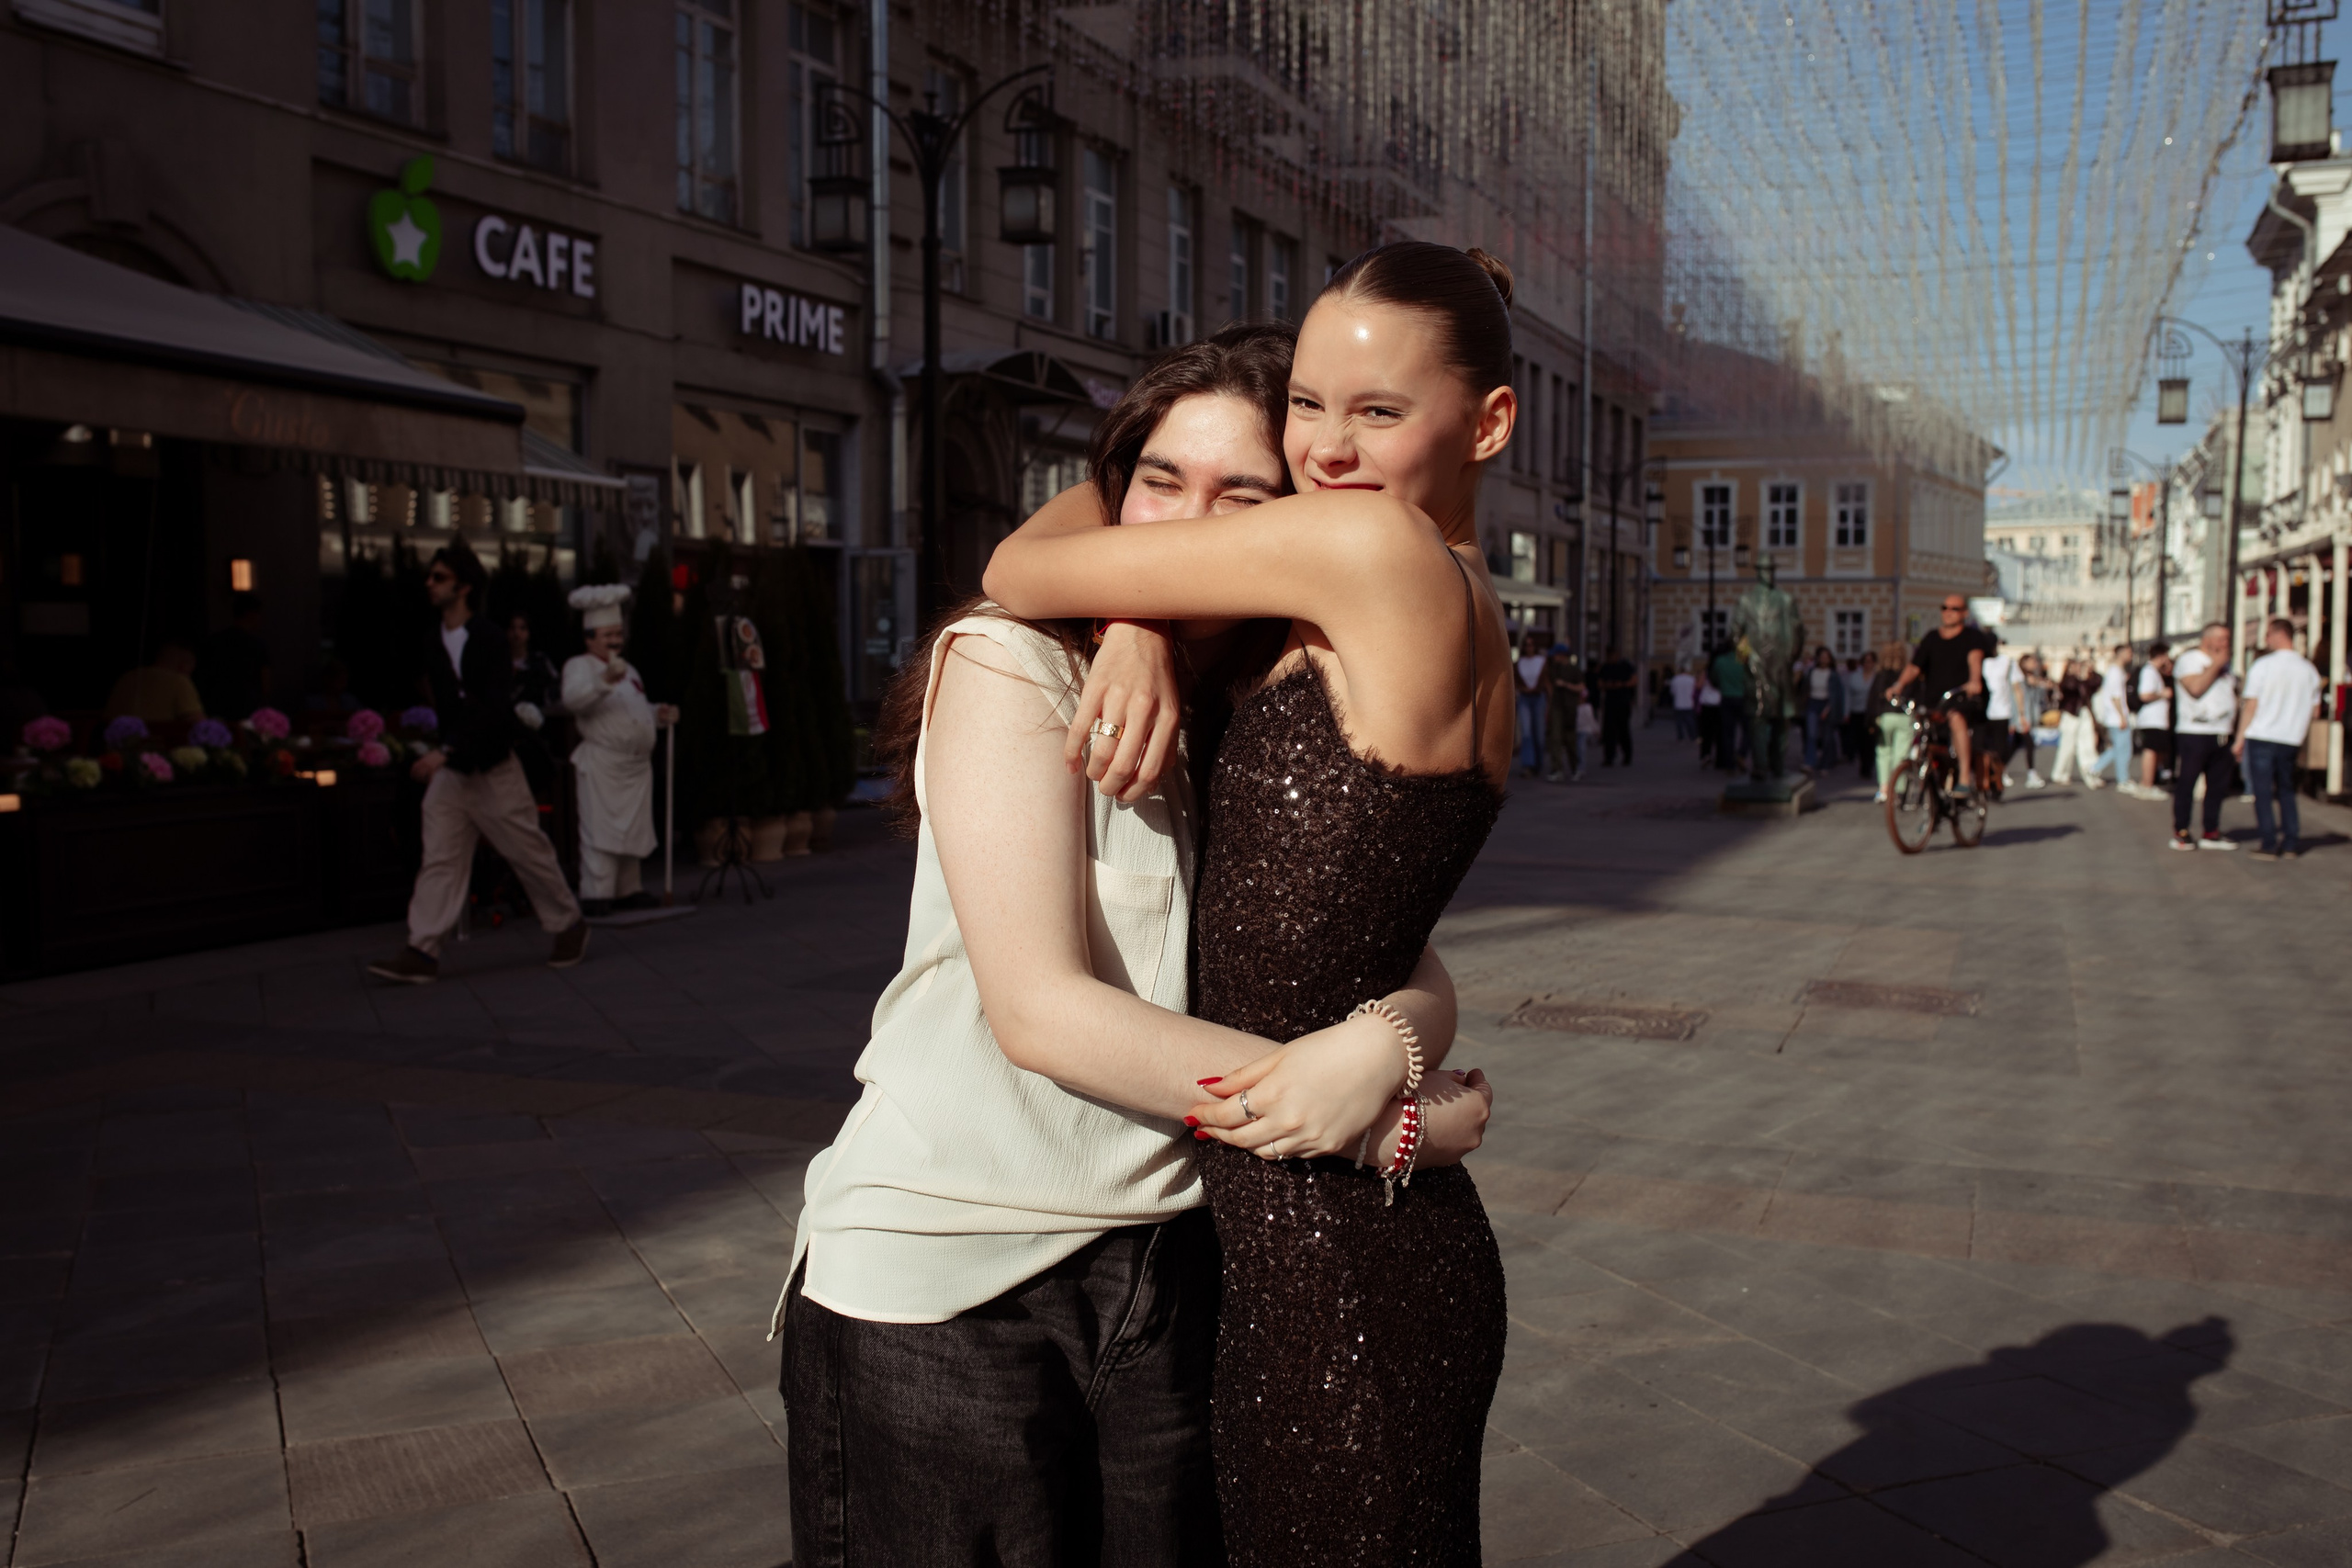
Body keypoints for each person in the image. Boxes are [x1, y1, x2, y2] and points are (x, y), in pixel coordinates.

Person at [983, 242, 1523, 1565]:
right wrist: (1148, 619)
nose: (1330, 448)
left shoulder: (1372, 550)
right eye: (1309, 405)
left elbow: (1025, 560)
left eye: (1379, 409)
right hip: (1326, 1218)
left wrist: (1125, 598)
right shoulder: (1399, 588)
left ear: (1490, 422)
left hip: (1334, 1255)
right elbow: (1398, 946)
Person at [367, 542, 588, 982]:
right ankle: (422, 949)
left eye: (439, 577)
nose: (429, 584)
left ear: (464, 587)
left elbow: (492, 708)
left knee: (526, 849)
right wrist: (445, 751)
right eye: (430, 577)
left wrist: (446, 751)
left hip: (491, 765)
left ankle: (569, 923)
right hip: (455, 770)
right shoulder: (433, 640)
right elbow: (451, 705)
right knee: (441, 857)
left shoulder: (488, 638)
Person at [562, 585, 678, 915]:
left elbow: (634, 710)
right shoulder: (579, 666)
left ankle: (629, 888)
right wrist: (604, 682)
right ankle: (597, 891)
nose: (615, 641)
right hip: (604, 766)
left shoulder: (632, 671)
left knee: (632, 832)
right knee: (602, 833)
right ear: (589, 638)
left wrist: (658, 715)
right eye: (607, 635)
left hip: (635, 769)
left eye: (617, 633)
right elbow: (574, 701)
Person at [2233, 616, 2324, 861]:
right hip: (2292, 738)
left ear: (2275, 635)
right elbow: (2315, 711)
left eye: (2267, 635)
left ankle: (2269, 843)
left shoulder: (2263, 666)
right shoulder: (2309, 670)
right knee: (2286, 791)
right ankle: (2292, 843)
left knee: (2262, 792)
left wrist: (2239, 737)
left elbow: (2251, 705)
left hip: (2262, 735)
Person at [1890, 595, 1988, 795]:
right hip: (1935, 701)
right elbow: (1915, 667)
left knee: (1956, 718)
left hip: (1961, 698)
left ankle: (1963, 778)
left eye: (1954, 608)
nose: (1948, 612)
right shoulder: (1932, 637)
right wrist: (1898, 685)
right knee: (1923, 729)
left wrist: (1974, 680)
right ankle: (1930, 790)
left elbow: (1974, 658)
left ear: (1964, 613)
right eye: (1944, 608)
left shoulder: (1972, 636)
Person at [2169, 621, 2238, 852]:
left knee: (2217, 786)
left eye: (2227, 639)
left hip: (2222, 732)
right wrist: (2217, 664)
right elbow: (2195, 688)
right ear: (2207, 640)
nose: (2225, 644)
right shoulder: (2190, 660)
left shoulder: (2226, 666)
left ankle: (2211, 831)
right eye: (2221, 639)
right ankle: (2182, 831)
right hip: (2195, 732)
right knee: (2188, 782)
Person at [196, 592, 272, 719]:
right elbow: (266, 682)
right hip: (246, 708)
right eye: (260, 615)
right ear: (251, 614)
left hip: (216, 706)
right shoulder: (257, 645)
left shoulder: (214, 641)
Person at [102, 637, 205, 723]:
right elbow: (199, 725)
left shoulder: (127, 677)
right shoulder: (180, 681)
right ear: (184, 663)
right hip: (158, 745)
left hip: (113, 745)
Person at [1976, 635, 2024, 791]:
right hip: (1982, 713)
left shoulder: (2007, 662)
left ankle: (1996, 780)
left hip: (2002, 713)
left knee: (2000, 750)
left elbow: (2017, 689)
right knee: (1981, 749)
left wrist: (2021, 714)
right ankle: (1985, 780)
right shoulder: (1978, 662)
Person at [1866, 639, 1911, 803]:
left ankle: (1884, 789)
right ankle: (1898, 790)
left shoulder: (1881, 674)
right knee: (1901, 754)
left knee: (1884, 753)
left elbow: (1873, 698)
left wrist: (1871, 718)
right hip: (1904, 716)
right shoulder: (1907, 673)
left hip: (1885, 715)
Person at [2089, 644, 2134, 792]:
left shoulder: (2116, 671)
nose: (2131, 655)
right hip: (2117, 717)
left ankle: (2094, 769)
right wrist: (2122, 717)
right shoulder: (2115, 671)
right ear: (2121, 654)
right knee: (2123, 750)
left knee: (2117, 749)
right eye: (2129, 652)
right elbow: (2116, 697)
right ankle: (2122, 780)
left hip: (2115, 716)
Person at [2133, 643, 2175, 799]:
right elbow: (2144, 695)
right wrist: (2163, 694)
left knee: (2157, 751)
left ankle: (2148, 783)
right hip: (2152, 720)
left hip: (2156, 720)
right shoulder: (2149, 672)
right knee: (2151, 751)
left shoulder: (2154, 671)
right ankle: (2147, 784)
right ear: (2162, 655)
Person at [2050, 658, 2096, 786]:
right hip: (2070, 715)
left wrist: (2090, 672)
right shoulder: (2068, 680)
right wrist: (2080, 677)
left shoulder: (2081, 681)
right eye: (2075, 666)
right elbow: (2071, 688)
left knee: (2082, 745)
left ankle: (2070, 773)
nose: (2078, 669)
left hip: (2079, 714)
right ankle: (2059, 773)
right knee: (2067, 746)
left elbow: (2095, 684)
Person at [1544, 641, 1584, 782]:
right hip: (1556, 707)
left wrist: (1566, 685)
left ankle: (1575, 768)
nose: (1554, 658)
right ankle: (1557, 769)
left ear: (1562, 655)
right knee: (1555, 739)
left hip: (1570, 708)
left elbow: (1581, 687)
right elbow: (1548, 683)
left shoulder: (1574, 669)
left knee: (1570, 740)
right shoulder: (1553, 669)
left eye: (1556, 655)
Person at [1801, 645, 1844, 771]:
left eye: (1826, 657)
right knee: (1811, 734)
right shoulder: (1812, 672)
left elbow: (1836, 695)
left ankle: (1826, 763)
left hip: (1826, 704)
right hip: (1813, 703)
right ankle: (1810, 761)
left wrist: (1828, 708)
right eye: (1822, 657)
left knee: (1827, 737)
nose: (1824, 660)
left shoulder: (1833, 675)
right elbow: (1805, 689)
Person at [1710, 638, 1749, 773]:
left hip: (1726, 698)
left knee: (1728, 733)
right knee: (1748, 730)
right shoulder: (1745, 661)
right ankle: (1741, 753)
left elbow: (1714, 679)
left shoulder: (1720, 661)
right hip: (1744, 699)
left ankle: (1729, 764)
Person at [1513, 629, 1549, 777]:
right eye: (1527, 645)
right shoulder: (1519, 663)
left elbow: (1546, 682)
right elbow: (1515, 682)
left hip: (1539, 698)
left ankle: (1538, 763)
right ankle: (1528, 765)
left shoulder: (1541, 662)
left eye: (1531, 644)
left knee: (1539, 734)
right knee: (1527, 732)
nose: (1529, 647)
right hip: (1525, 699)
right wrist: (1523, 689)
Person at [2016, 649, 2053, 788]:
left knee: (2013, 747)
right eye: (2032, 662)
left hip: (2027, 717)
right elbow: (2036, 684)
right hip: (2022, 717)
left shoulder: (2029, 677)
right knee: (2028, 745)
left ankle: (1999, 771)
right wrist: (2019, 716)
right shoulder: (2022, 678)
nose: (2035, 664)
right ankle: (2031, 774)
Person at [1596, 644, 1636, 765]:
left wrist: (1622, 685)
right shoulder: (1605, 667)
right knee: (1609, 731)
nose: (1611, 657)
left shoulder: (1625, 666)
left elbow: (1634, 680)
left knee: (1623, 730)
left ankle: (1627, 756)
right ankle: (1609, 757)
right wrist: (1608, 686)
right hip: (1610, 702)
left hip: (1623, 702)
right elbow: (1600, 683)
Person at [1844, 651, 1875, 778]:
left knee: (1870, 741)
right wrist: (1846, 712)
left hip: (1871, 713)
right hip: (1856, 711)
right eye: (1865, 661)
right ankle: (1863, 763)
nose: (1868, 664)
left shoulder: (1876, 677)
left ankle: (1868, 766)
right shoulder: (1854, 676)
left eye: (1870, 661)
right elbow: (1848, 695)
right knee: (1859, 740)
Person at [1695, 661, 1724, 768]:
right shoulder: (1721, 671)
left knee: (1706, 733)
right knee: (1719, 733)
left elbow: (1698, 686)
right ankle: (1720, 758)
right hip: (1719, 703)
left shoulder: (1706, 672)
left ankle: (1705, 755)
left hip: (1706, 705)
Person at [1668, 660, 1698, 743]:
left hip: (1678, 703)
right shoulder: (1691, 679)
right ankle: (1692, 736)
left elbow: (1672, 692)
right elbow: (1695, 691)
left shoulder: (1675, 679)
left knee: (1679, 722)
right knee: (1690, 721)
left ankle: (1680, 737)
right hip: (1689, 704)